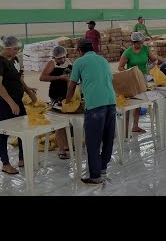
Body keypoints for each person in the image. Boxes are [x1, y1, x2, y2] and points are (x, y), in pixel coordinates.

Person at [66, 39, 116, 185]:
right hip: (111, 102)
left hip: (95, 105)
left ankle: (95, 176)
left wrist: (67, 102)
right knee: (107, 139)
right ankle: (103, 169)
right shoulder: (103, 60)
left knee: (93, 141)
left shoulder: (79, 62)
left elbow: (71, 86)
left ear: (79, 51)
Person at [0, 36, 37, 175]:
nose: (18, 51)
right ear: (7, 47)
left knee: (23, 129)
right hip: (3, 103)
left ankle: (22, 158)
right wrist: (10, 102)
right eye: (15, 48)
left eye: (18, 48)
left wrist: (29, 92)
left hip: (17, 100)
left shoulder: (15, 59)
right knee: (4, 132)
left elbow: (19, 79)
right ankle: (5, 163)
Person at [118, 32, 158, 134]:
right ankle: (126, 128)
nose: (140, 45)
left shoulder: (145, 49)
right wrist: (129, 73)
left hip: (143, 78)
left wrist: (151, 65)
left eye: (141, 43)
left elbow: (154, 59)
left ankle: (135, 126)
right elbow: (120, 67)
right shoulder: (128, 53)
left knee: (139, 102)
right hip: (131, 80)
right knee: (130, 103)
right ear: (133, 42)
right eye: (138, 43)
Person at [39, 46, 73, 160]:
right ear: (54, 57)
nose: (62, 60)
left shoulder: (69, 61)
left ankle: (66, 144)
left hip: (68, 94)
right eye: (59, 59)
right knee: (60, 123)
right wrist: (59, 77)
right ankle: (61, 149)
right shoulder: (51, 63)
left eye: (63, 58)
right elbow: (42, 77)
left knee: (69, 122)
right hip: (56, 95)